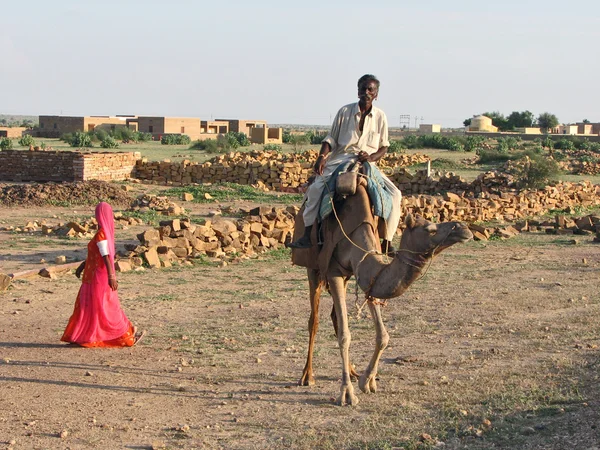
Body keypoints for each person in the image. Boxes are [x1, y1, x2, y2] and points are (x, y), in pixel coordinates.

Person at [288, 74, 402, 252]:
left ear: (376, 94)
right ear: (357, 91)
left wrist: (371, 158)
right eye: (363, 88)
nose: (366, 92)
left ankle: (386, 240)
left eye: (370, 89)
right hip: (341, 159)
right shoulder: (344, 112)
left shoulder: (381, 117)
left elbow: (384, 147)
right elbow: (331, 139)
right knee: (316, 189)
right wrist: (322, 157)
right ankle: (307, 235)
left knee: (396, 195)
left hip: (368, 164)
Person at [61, 202, 143, 347]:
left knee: (101, 307)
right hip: (92, 275)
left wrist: (111, 276)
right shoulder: (104, 234)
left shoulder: (102, 234)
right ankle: (82, 336)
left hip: (97, 278)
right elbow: (95, 255)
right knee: (89, 306)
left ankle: (126, 334)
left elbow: (105, 256)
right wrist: (82, 266)